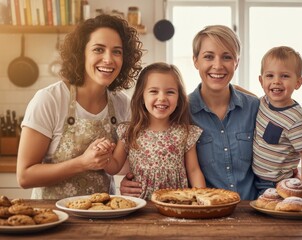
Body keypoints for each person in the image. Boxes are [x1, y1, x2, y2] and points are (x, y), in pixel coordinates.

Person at [120, 25, 260, 200]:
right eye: (208, 56)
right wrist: (131, 180)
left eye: (227, 57)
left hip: (251, 210)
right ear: (195, 61)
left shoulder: (254, 107)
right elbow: (149, 148)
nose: (217, 65)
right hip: (202, 212)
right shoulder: (178, 111)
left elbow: (275, 153)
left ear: (236, 62)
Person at [16, 14, 143, 199]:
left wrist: (129, 181)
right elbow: (25, 176)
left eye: (117, 51)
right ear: (81, 53)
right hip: (54, 218)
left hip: (104, 215)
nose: (108, 59)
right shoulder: (50, 99)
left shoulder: (122, 103)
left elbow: (119, 164)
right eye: (98, 49)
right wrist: (82, 163)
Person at [96, 62, 206, 200]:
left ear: (179, 98)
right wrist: (104, 155)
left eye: (170, 92)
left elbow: (194, 170)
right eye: (154, 91)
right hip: (140, 205)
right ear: (141, 96)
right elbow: (114, 168)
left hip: (176, 203)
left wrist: (203, 199)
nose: (162, 98)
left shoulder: (185, 133)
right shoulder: (129, 132)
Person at [252, 46, 302, 195]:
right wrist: (231, 88)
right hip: (254, 180)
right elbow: (249, 96)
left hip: (279, 185)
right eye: (270, 76)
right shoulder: (263, 102)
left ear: (298, 83)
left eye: (285, 76)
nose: (276, 81)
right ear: (261, 81)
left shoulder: (297, 120)